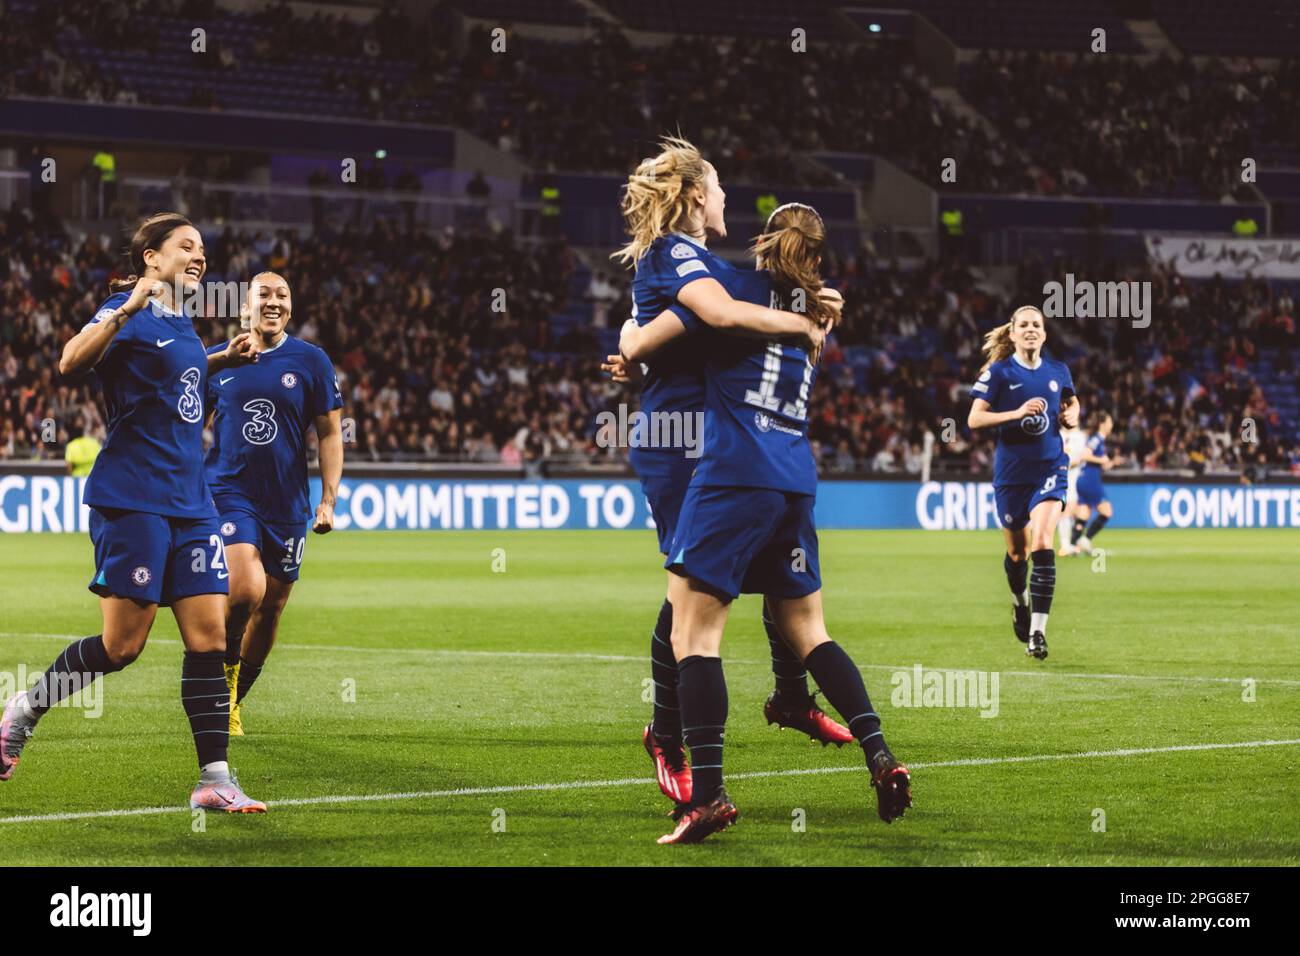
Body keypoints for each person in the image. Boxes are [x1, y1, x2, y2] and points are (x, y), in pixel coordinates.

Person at [618, 203, 911, 844]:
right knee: (809, 628)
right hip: (795, 479)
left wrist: (629, 348)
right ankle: (880, 753)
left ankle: (708, 793)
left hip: (733, 472)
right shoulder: (814, 309)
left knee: (693, 634)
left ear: (763, 241)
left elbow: (656, 335)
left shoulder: (735, 290)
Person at [606, 138, 851, 808]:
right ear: (692, 196)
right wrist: (800, 322)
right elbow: (706, 315)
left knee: (756, 567)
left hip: (714, 439)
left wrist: (815, 303)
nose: (724, 201)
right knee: (690, 590)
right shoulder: (678, 254)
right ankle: (668, 735)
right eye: (716, 189)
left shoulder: (700, 262)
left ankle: (789, 696)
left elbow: (677, 321)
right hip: (680, 442)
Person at [1, 212, 265, 811]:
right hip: (133, 497)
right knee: (122, 648)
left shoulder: (183, 321)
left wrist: (221, 357)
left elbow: (177, 388)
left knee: (209, 637)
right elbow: (70, 361)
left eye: (203, 249)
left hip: (192, 501)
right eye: (185, 246)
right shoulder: (130, 310)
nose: (199, 256)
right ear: (151, 257)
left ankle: (215, 780)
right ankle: (24, 709)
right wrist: (126, 307)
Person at [205, 272, 344, 735]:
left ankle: (233, 700)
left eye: (282, 294)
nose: (273, 301)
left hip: (286, 502)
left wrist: (327, 500)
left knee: (274, 606)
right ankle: (217, 680)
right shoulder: (222, 359)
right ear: (245, 306)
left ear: (291, 306)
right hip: (228, 492)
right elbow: (184, 417)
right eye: (263, 294)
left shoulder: (311, 361)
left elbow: (329, 432)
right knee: (246, 589)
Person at [967, 306, 1080, 660]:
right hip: (1012, 475)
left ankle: (1038, 633)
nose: (1031, 330)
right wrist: (1016, 413)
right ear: (1013, 334)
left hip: (1050, 467)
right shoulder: (1000, 373)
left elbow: (1071, 401)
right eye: (1024, 325)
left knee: (1043, 541)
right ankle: (1020, 603)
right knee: (1018, 552)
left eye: (1037, 325)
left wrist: (1073, 412)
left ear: (1044, 335)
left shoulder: (1058, 370)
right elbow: (973, 419)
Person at [1072, 411, 1122, 555]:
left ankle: (1073, 545)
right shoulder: (1096, 439)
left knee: (1084, 513)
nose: (1111, 424)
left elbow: (1104, 465)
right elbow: (1084, 455)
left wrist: (1112, 462)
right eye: (1110, 421)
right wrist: (1102, 460)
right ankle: (1086, 540)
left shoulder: (1100, 440)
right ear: (1103, 423)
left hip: (1083, 479)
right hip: (1090, 480)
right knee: (1107, 512)